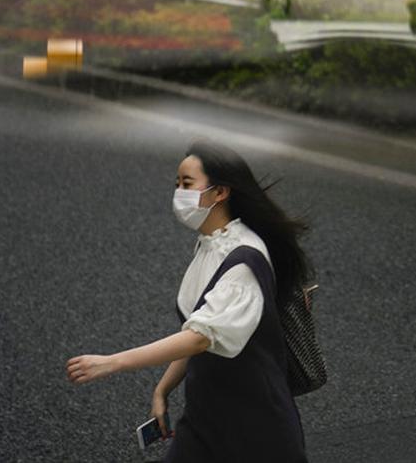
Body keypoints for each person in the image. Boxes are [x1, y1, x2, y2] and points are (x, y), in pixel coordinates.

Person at [66, 140, 312, 462]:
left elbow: (201, 338)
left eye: (187, 184)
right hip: (207, 415)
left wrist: (113, 362)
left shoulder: (243, 260)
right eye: (177, 184)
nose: (179, 193)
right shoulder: (211, 245)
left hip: (256, 426)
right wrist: (163, 389)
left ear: (220, 192)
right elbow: (202, 328)